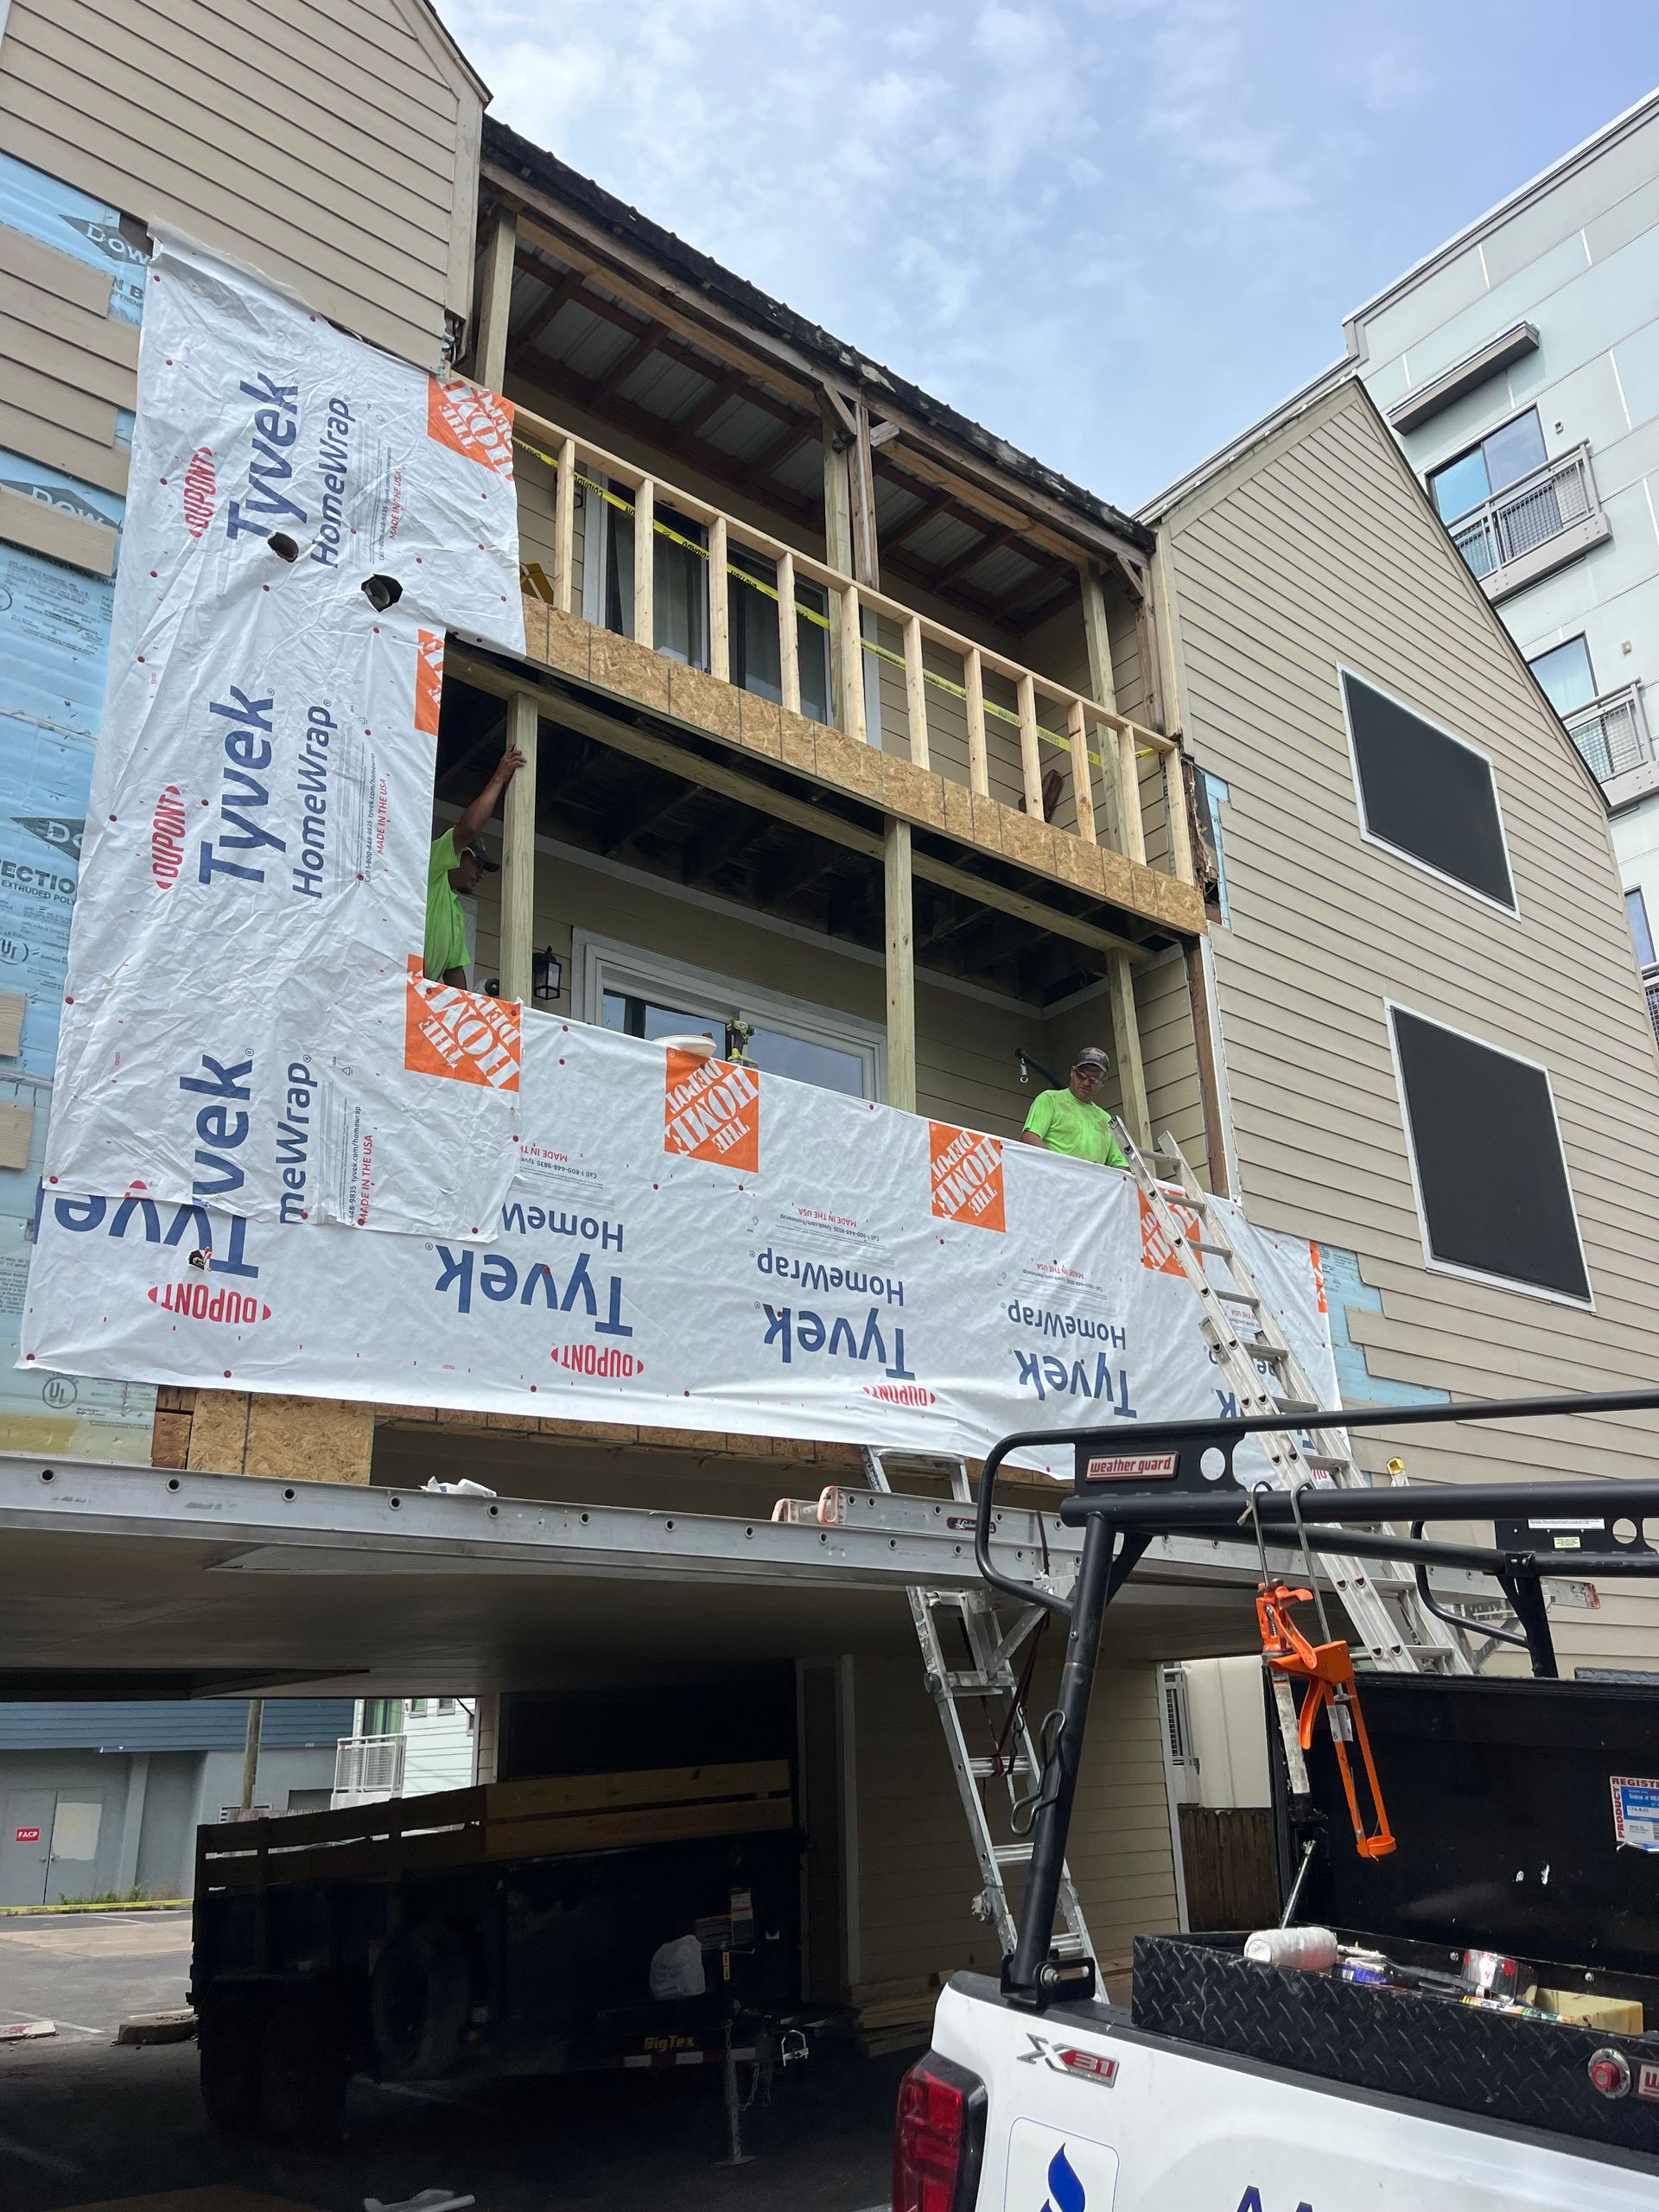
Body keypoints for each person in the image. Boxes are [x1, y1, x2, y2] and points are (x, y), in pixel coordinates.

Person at [424, 747, 525, 988]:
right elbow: (469, 829)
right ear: (458, 854)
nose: (480, 874)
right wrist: (500, 777)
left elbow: (454, 971)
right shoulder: (431, 868)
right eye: (477, 863)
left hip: (416, 995)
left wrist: (467, 1010)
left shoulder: (455, 913)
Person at [1020, 1046, 1128, 1168]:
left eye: (1093, 1080)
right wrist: (1065, 1168)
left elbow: (1119, 1165)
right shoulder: (1050, 1099)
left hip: (1092, 1181)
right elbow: (1030, 1138)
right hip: (1054, 1177)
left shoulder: (1106, 1119)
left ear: (1103, 1082)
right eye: (1081, 1076)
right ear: (1072, 1072)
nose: (1086, 1083)